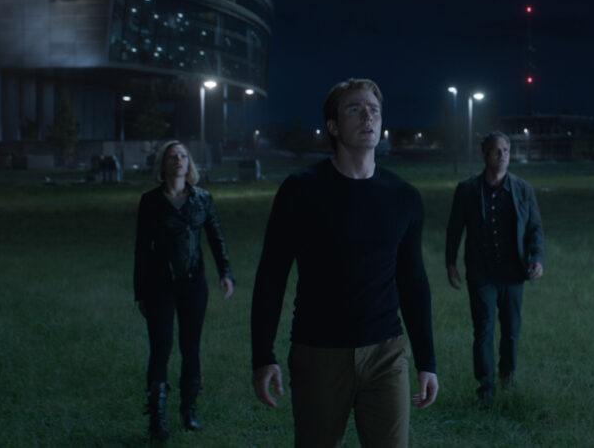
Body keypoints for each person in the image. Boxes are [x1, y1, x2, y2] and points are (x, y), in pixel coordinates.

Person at [251, 78, 438, 447]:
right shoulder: (301, 191)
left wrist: (427, 361)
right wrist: (262, 356)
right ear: (333, 127)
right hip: (318, 352)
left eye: (374, 110)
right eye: (355, 109)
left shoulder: (404, 197)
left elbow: (413, 282)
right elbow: (271, 276)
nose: (368, 116)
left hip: (386, 353)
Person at [134, 140, 235, 442]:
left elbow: (216, 237)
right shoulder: (151, 201)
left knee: (191, 347)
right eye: (171, 156)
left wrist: (225, 273)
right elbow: (142, 249)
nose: (178, 160)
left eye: (182, 156)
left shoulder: (202, 199)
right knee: (161, 347)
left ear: (189, 163)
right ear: (163, 164)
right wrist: (140, 291)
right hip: (160, 284)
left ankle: (189, 411)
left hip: (193, 283)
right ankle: (157, 419)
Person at [446, 131, 545, 408]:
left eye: (506, 150)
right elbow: (455, 228)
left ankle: (507, 379)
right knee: (483, 330)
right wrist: (450, 263)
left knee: (511, 330)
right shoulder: (467, 189)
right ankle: (486, 389)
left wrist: (537, 258)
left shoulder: (523, 189)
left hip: (513, 273)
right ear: (484, 154)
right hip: (482, 273)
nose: (502, 155)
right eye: (496, 150)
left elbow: (535, 228)